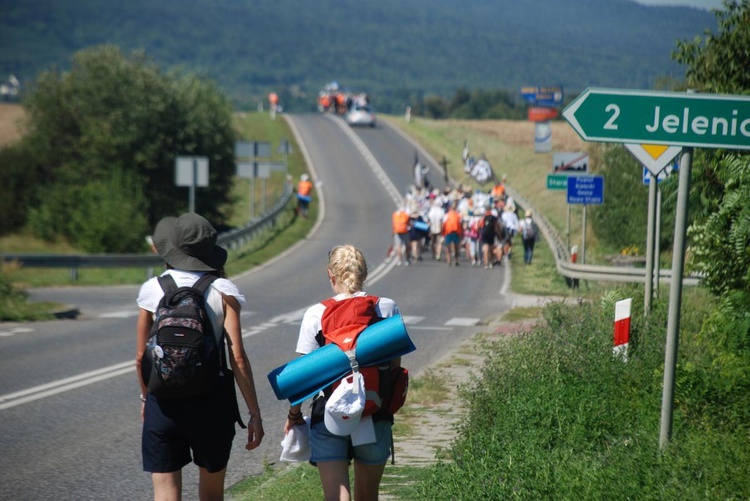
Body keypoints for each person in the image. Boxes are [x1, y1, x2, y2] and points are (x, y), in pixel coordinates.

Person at [136, 212, 264, 501]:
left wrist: (147, 398)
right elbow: (238, 358)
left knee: (165, 494)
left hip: (163, 402)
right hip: (212, 402)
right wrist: (254, 414)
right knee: (211, 494)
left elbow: (140, 356)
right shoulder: (223, 290)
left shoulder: (151, 290)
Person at [284, 245, 403, 501]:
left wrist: (294, 415)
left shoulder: (316, 314)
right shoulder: (386, 308)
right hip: (374, 412)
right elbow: (394, 370)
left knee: (336, 497)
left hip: (329, 414)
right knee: (368, 496)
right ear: (365, 273)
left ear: (331, 274)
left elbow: (304, 378)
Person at [442, 202, 463, 266]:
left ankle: (451, 260)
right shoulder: (456, 215)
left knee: (450, 247)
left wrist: (442, 232)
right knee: (453, 247)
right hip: (452, 232)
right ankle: (452, 260)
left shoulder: (449, 215)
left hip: (451, 232)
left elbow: (443, 224)